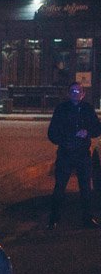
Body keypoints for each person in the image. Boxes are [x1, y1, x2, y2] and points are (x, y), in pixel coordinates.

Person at [46, 82, 101, 228]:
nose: (76, 93)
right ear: (68, 93)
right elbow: (52, 133)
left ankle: (87, 218)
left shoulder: (87, 109)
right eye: (73, 91)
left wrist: (87, 132)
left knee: (85, 188)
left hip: (83, 154)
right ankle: (54, 219)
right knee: (60, 187)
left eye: (78, 91)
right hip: (66, 153)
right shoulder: (61, 109)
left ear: (83, 94)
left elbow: (97, 128)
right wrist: (68, 138)